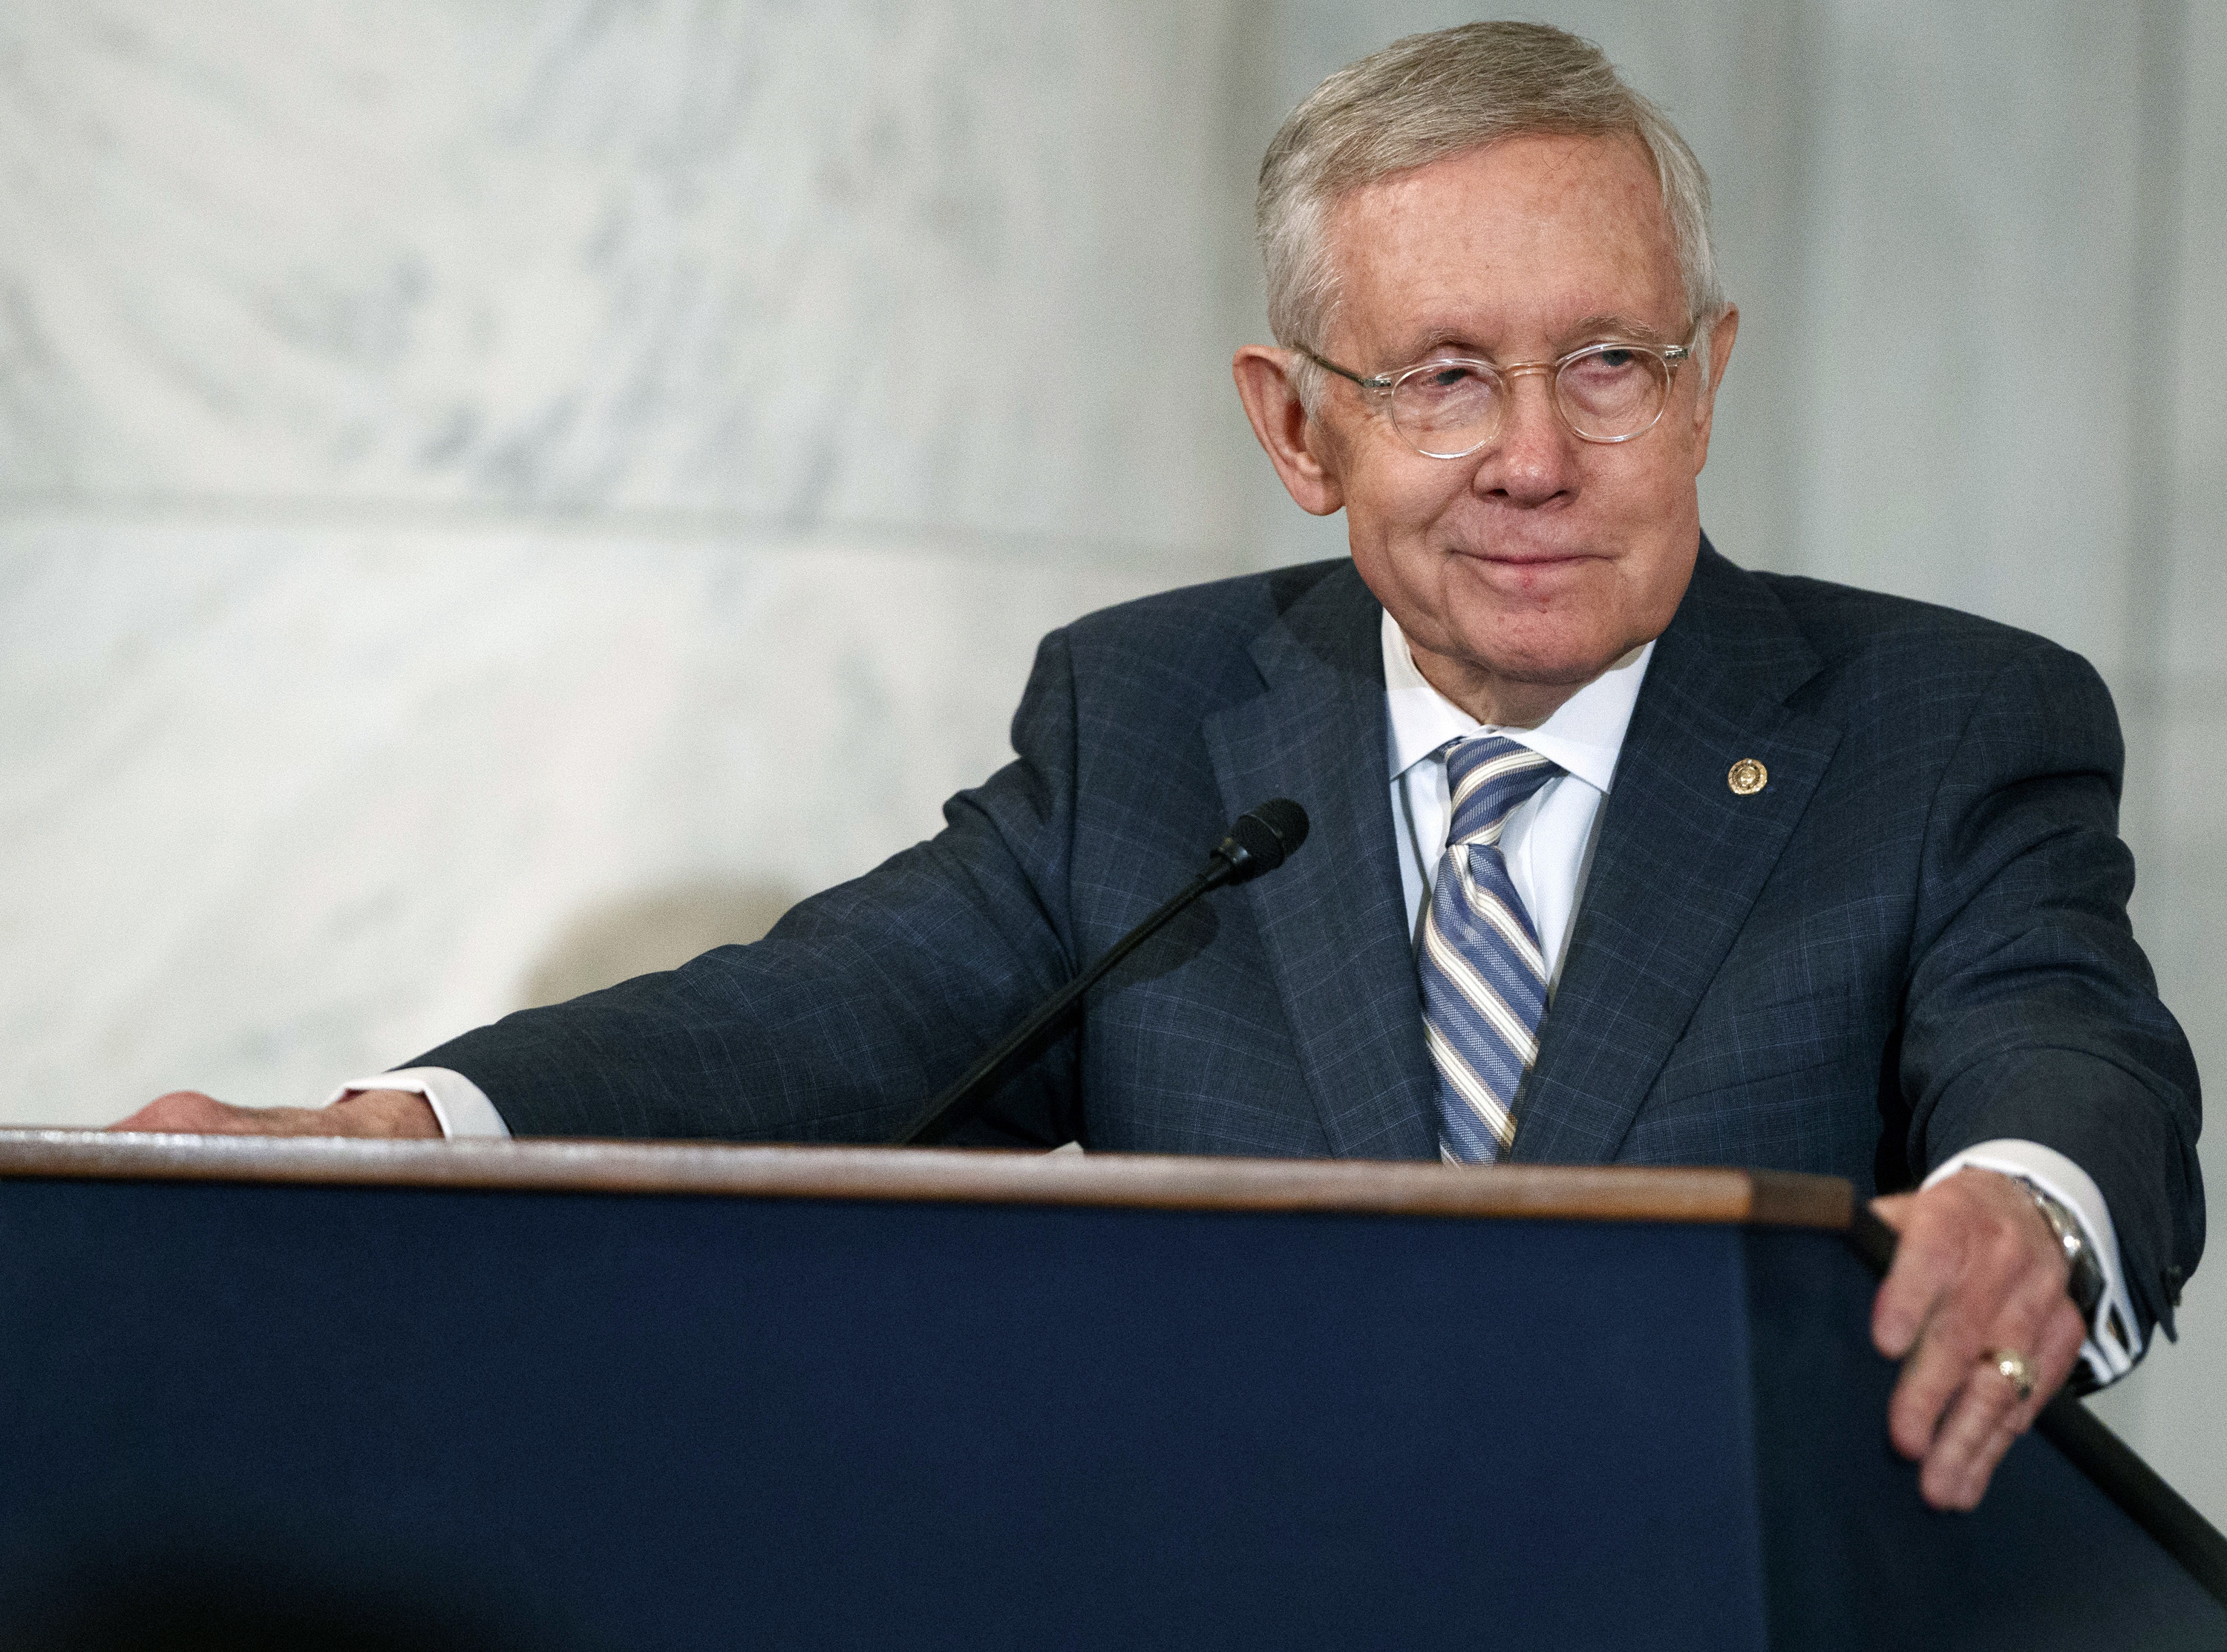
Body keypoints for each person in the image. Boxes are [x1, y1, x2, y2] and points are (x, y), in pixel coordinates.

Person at [117, 22, 2201, 1515]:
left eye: (1609, 365)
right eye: (1448, 378)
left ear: (1709, 379)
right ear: (1300, 430)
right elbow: (828, 1015)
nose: (1542, 457)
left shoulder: (1943, 729)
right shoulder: (1155, 725)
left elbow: (2071, 1050)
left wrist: (2027, 1202)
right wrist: (408, 1128)